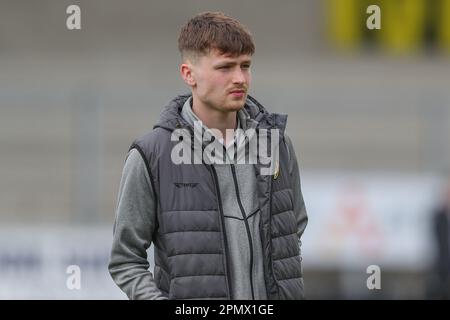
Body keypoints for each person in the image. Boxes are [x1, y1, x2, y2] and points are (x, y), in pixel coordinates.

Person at [108, 11, 308, 300]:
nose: (240, 78)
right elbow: (125, 259)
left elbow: (293, 228)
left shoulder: (276, 144)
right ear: (189, 74)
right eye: (225, 67)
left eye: (245, 65)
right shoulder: (152, 154)